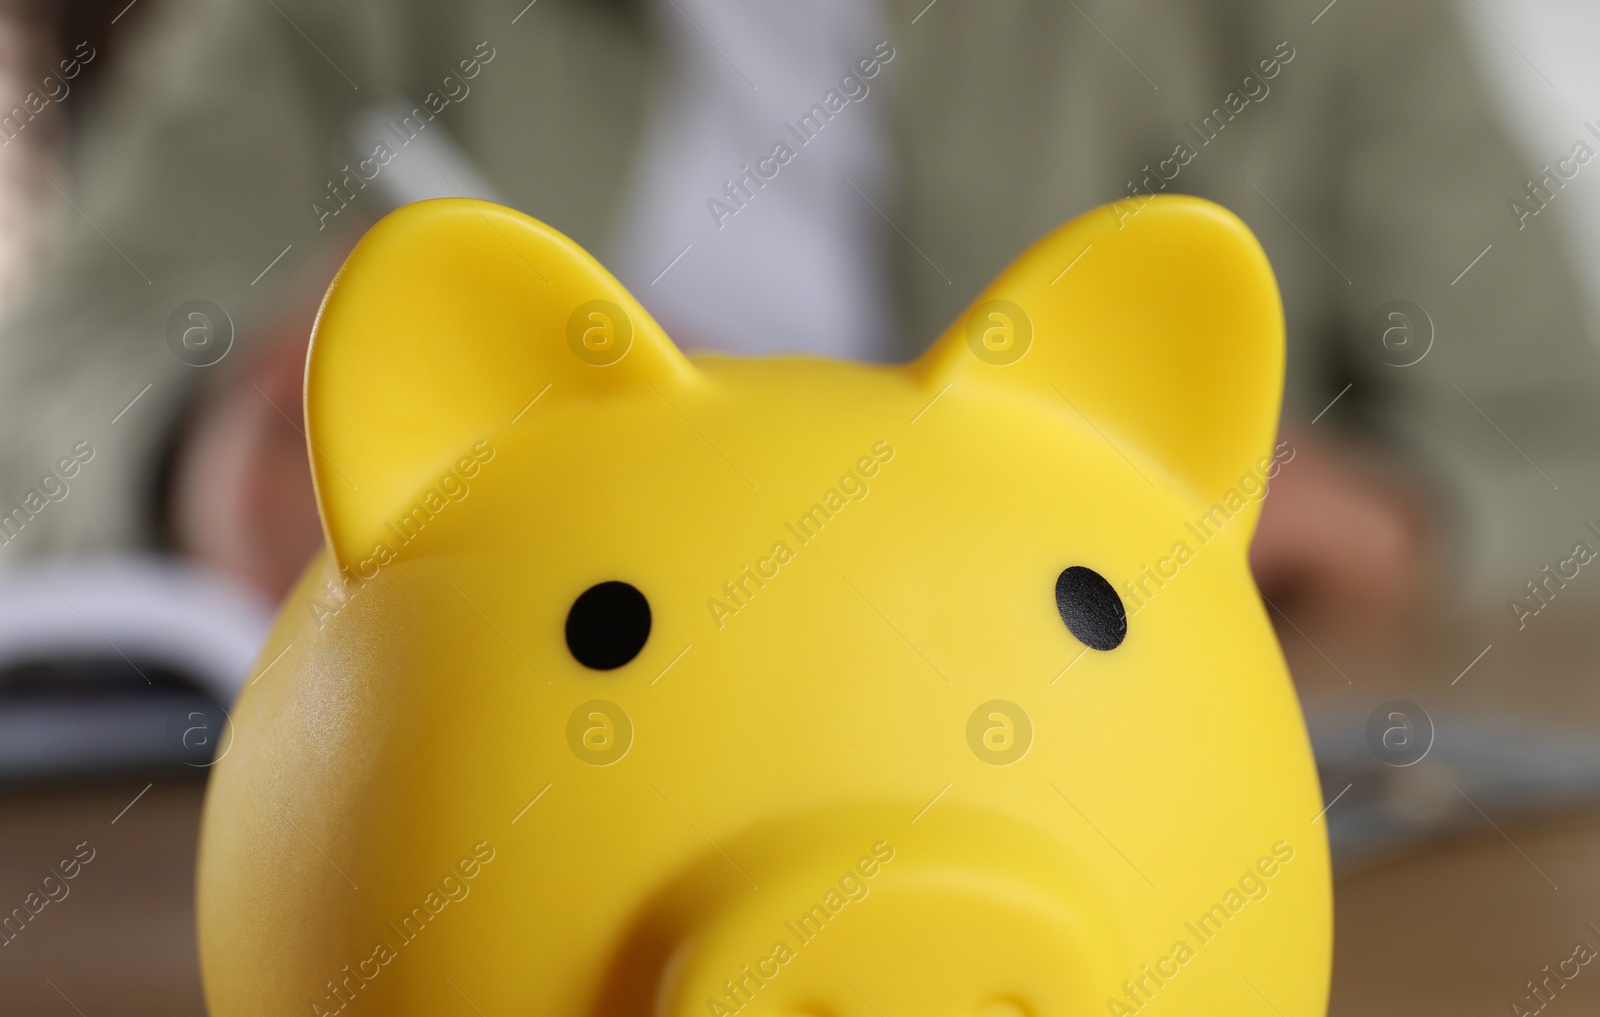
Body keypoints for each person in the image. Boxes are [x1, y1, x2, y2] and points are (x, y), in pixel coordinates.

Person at [0, 0, 1594, 645]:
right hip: (520, 732)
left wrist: (1400, 522)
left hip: (1112, 739)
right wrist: (191, 459)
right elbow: (60, 355)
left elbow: (1568, 446)